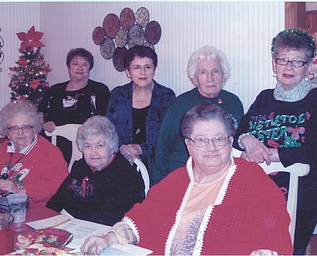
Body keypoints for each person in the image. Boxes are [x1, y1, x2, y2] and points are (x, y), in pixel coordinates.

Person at [81, 102, 292, 255]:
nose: (211, 148)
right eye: (201, 140)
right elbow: (142, 219)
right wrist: (108, 237)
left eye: (219, 139)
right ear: (188, 145)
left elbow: (272, 239)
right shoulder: (175, 182)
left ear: (230, 142)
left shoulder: (253, 181)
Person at [234, 29, 317, 254]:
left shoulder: (314, 100)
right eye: (282, 60)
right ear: (274, 64)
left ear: (309, 66)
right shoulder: (263, 98)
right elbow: (237, 136)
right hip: (250, 193)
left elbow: (312, 150)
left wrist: (269, 156)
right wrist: (248, 140)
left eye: (297, 61)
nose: (288, 67)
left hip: (297, 198)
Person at [152, 46, 244, 185]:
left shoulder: (233, 102)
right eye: (203, 72)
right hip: (183, 173)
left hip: (221, 174)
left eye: (215, 71)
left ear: (223, 75)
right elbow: (162, 147)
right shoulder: (181, 104)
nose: (210, 78)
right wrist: (159, 185)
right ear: (195, 79)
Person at [46, 116, 145, 226]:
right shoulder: (82, 166)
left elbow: (109, 219)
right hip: (73, 224)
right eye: (88, 146)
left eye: (100, 145)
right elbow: (58, 199)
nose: (93, 152)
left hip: (104, 231)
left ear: (112, 147)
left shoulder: (125, 175)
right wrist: (44, 220)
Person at [105, 45, 175, 177]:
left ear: (154, 70)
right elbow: (108, 130)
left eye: (147, 67)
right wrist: (122, 149)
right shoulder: (118, 95)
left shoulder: (166, 96)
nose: (143, 72)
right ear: (128, 72)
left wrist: (141, 148)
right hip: (121, 161)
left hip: (155, 164)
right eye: (136, 67)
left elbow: (169, 136)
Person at [38, 48, 110, 163]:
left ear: (90, 68)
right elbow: (41, 113)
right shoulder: (55, 90)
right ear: (69, 66)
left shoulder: (99, 90)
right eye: (75, 64)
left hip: (87, 146)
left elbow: (104, 119)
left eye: (85, 64)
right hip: (56, 144)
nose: (80, 68)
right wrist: (47, 121)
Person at [0, 100, 68, 206]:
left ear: (34, 129)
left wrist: (20, 191)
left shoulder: (49, 152)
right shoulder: (2, 149)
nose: (20, 133)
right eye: (14, 128)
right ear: (7, 132)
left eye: (26, 127)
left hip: (34, 211)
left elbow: (59, 185)